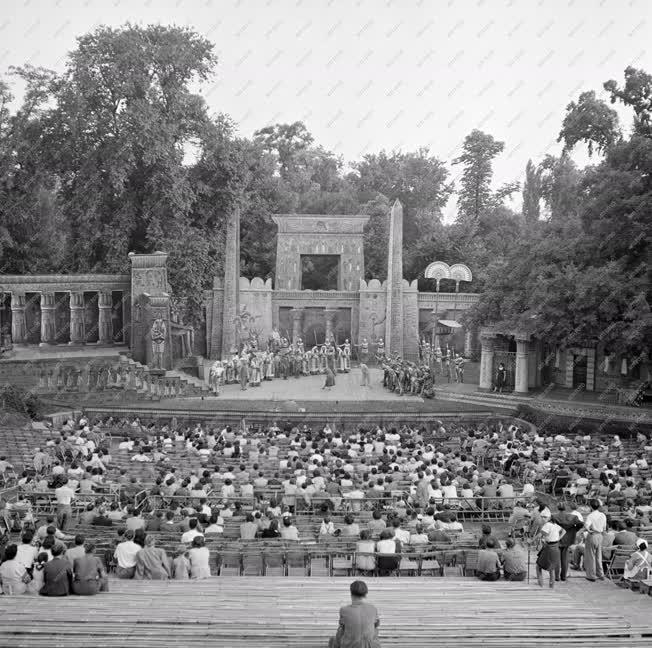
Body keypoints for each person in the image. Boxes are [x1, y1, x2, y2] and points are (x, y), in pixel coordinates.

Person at [329, 580, 380, 648]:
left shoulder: (344, 610)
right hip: (370, 645)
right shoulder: (373, 609)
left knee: (333, 639)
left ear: (351, 593)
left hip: (351, 645)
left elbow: (342, 630)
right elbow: (376, 626)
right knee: (374, 629)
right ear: (365, 594)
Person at [552, 505, 584, 581]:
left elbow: (550, 526)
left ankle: (557, 577)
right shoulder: (573, 517)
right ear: (566, 508)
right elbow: (581, 524)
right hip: (568, 538)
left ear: (558, 508)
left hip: (557, 538)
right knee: (565, 559)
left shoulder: (554, 516)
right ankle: (563, 576)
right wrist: (575, 530)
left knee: (557, 559)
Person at [536, 518, 565, 589]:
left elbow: (540, 534)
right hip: (555, 546)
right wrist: (558, 538)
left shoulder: (547, 524)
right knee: (551, 569)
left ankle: (541, 585)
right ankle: (551, 587)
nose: (542, 519)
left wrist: (531, 541)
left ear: (549, 519)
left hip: (549, 547)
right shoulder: (555, 525)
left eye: (544, 517)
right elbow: (564, 531)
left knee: (538, 566)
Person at [584, 499, 607, 582]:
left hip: (593, 535)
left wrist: (589, 530)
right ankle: (600, 574)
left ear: (591, 506)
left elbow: (586, 525)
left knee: (591, 556)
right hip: (600, 535)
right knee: (598, 555)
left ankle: (591, 575)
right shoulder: (603, 515)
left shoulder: (590, 515)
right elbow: (604, 527)